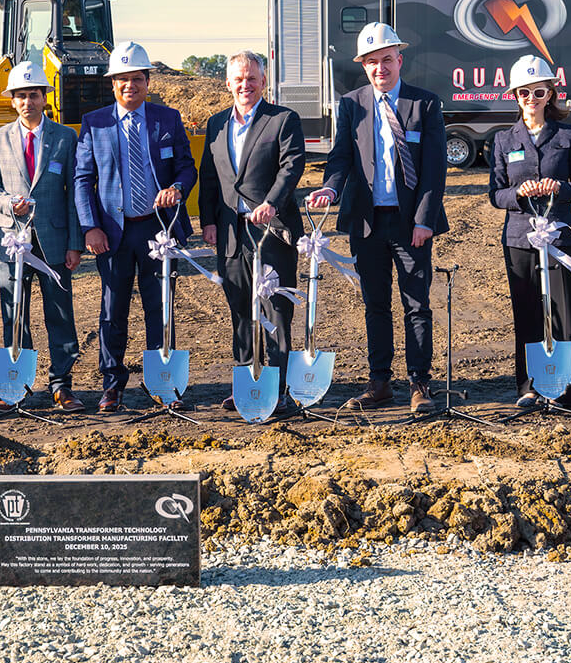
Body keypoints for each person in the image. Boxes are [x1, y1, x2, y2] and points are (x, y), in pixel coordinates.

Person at [307, 22, 448, 414]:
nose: (380, 68)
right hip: (366, 223)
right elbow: (340, 157)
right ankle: (380, 383)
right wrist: (330, 189)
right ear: (364, 66)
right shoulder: (351, 104)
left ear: (400, 60)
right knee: (376, 305)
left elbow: (435, 169)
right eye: (372, 61)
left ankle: (420, 383)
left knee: (416, 305)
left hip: (410, 224)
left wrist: (424, 220)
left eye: (387, 59)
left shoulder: (425, 104)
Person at [75, 41, 197, 411]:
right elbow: (83, 179)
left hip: (157, 230)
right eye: (123, 79)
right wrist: (90, 227)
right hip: (113, 233)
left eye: (137, 78)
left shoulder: (167, 119)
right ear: (112, 83)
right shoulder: (95, 123)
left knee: (160, 308)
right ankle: (112, 385)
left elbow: (186, 166)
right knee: (113, 311)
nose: (130, 85)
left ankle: (163, 384)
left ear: (148, 81)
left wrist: (177, 189)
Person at [199, 50, 305, 410]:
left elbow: (292, 166)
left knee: (276, 310)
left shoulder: (282, 119)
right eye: (239, 79)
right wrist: (208, 221)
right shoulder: (216, 124)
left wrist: (272, 202)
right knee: (241, 311)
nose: (246, 85)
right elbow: (209, 177)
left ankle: (279, 388)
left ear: (263, 81)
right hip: (231, 233)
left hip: (271, 231)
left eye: (252, 78)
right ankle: (248, 383)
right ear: (228, 83)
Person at [0, 61, 85, 412]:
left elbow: (74, 193)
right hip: (12, 242)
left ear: (44, 98)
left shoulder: (65, 138)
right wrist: (9, 204)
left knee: (60, 315)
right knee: (14, 314)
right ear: (12, 101)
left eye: (34, 95)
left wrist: (75, 244)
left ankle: (61, 385)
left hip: (54, 241)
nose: (28, 101)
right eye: (21, 96)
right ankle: (15, 385)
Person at [489, 55, 571, 408]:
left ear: (550, 94)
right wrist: (518, 193)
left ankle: (566, 389)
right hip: (519, 238)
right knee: (527, 313)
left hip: (560, 236)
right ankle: (530, 386)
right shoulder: (503, 140)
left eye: (538, 91)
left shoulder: (569, 135)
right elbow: (496, 194)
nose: (531, 99)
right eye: (524, 92)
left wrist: (559, 188)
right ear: (515, 96)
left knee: (564, 313)